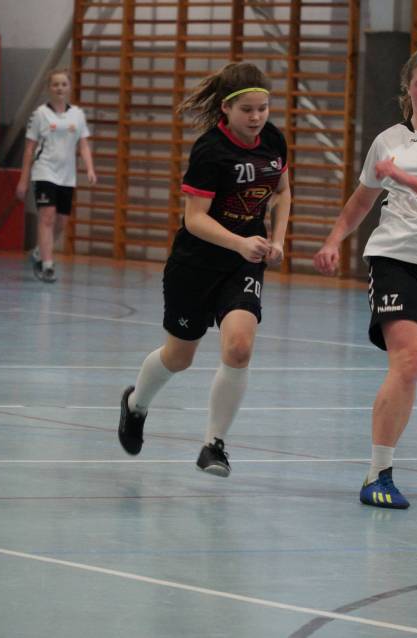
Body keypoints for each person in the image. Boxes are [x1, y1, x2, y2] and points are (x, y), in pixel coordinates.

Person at [314, 45, 417, 509]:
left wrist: (405, 179)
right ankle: (378, 473)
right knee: (406, 361)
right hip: (394, 258)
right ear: (407, 88)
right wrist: (333, 240)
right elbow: (362, 200)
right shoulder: (388, 140)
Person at [117, 62, 291, 477]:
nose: (257, 117)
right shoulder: (210, 151)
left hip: (242, 265)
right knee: (179, 357)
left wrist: (278, 240)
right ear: (226, 109)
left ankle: (214, 445)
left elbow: (283, 192)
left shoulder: (273, 141)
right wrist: (239, 242)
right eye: (247, 110)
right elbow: (194, 219)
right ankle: (136, 404)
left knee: (239, 347)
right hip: (195, 265)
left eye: (263, 108)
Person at [16, 68, 97, 284]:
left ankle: (39, 252)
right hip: (44, 172)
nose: (59, 88)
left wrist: (90, 169)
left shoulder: (77, 115)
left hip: (67, 177)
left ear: (69, 88)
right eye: (55, 84)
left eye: (63, 84)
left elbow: (84, 145)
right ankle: (47, 265)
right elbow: (29, 149)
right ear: (48, 88)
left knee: (61, 222)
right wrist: (23, 179)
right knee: (47, 217)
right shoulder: (40, 114)